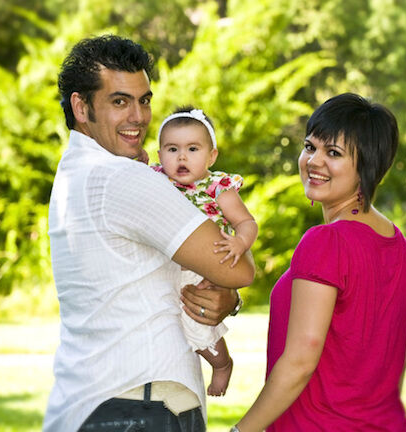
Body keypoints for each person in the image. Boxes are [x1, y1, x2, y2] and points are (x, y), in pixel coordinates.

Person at [44, 35, 254, 432]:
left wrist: (226, 299)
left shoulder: (75, 173)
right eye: (119, 101)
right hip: (140, 404)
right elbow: (238, 269)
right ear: (81, 107)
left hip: (91, 400)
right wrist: (231, 286)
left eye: (144, 100)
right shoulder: (121, 178)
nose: (138, 116)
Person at [231, 93, 406, 431]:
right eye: (310, 147)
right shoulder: (402, 250)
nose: (313, 161)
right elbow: (391, 366)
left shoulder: (326, 242)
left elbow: (300, 361)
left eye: (333, 153)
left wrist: (240, 431)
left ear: (367, 166)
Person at [153, 106, 258, 397]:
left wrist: (240, 242)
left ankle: (221, 363)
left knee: (195, 323)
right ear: (159, 155)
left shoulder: (217, 187)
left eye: (192, 149)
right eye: (172, 149)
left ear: (211, 156)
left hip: (202, 269)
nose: (182, 157)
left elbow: (246, 222)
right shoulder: (156, 180)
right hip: (166, 266)